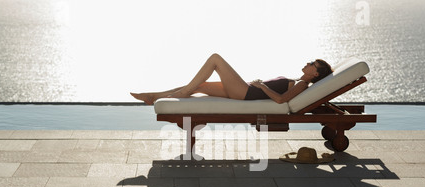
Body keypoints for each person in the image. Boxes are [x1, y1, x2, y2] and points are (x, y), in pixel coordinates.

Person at [130, 53, 333, 105]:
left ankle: (177, 94)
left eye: (312, 64)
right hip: (245, 89)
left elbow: (281, 100)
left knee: (215, 58)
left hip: (246, 93)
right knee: (198, 86)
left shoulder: (302, 83)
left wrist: (261, 86)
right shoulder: (299, 80)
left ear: (315, 74)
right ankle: (154, 96)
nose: (308, 63)